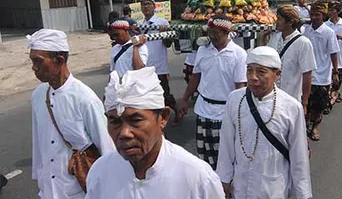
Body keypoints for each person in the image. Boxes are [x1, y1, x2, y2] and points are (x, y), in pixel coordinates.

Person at [86, 67, 225, 199]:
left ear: (163, 118)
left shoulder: (197, 177)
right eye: (115, 122)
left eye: (135, 120)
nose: (124, 133)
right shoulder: (100, 172)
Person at [28, 29, 115, 199]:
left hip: (79, 191)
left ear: (59, 60)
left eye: (38, 61)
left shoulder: (85, 99)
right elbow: (38, 144)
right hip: (48, 190)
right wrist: (41, 183)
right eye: (32, 61)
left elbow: (107, 148)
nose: (33, 67)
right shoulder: (38, 96)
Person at [216, 46, 312, 199]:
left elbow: (298, 155)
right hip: (240, 187)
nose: (253, 77)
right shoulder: (235, 99)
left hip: (273, 189)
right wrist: (223, 179)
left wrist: (303, 194)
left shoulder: (291, 107)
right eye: (249, 70)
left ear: (277, 74)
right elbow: (226, 144)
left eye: (261, 71)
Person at [179, 15, 247, 169]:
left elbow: (240, 87)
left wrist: (240, 114)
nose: (212, 36)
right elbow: (196, 76)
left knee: (224, 156)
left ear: (226, 32)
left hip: (225, 113)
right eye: (210, 32)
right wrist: (184, 99)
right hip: (203, 110)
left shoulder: (238, 54)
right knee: (204, 153)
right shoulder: (203, 50)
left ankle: (225, 188)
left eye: (217, 33)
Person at [259, 5, 316, 109]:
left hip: (291, 100)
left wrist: (305, 103)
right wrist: (263, 38)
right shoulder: (275, 38)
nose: (276, 22)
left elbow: (307, 74)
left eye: (279, 19)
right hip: (270, 98)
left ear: (290, 22)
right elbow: (264, 60)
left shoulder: (303, 43)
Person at [303, 0, 340, 141]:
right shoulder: (306, 30)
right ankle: (305, 125)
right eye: (312, 14)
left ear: (323, 15)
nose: (314, 17)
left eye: (317, 15)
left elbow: (333, 53)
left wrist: (335, 72)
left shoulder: (328, 33)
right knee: (306, 102)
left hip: (322, 75)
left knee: (319, 105)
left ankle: (315, 127)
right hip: (306, 74)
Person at [139, 0, 179, 121]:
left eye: (148, 4)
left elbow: (168, 44)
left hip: (159, 66)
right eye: (143, 5)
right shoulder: (140, 25)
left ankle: (178, 111)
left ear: (154, 6)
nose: (145, 7)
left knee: (164, 94)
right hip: (145, 66)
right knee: (148, 94)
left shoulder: (161, 22)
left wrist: (164, 34)